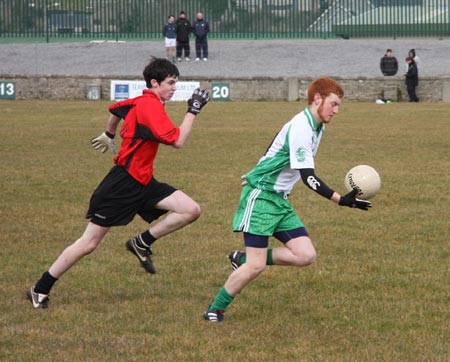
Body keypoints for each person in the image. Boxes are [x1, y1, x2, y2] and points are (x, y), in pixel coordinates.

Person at [27, 57, 210, 309]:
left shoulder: (144, 99)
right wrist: (193, 110)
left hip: (143, 180)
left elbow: (115, 109)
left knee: (190, 209)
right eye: (170, 83)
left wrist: (110, 133)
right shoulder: (151, 106)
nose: (174, 87)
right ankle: (39, 289)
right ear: (154, 83)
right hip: (122, 185)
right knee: (88, 243)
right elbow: (177, 140)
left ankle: (141, 242)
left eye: (175, 83)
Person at [203, 77, 372, 322]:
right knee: (256, 266)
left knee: (305, 255)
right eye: (333, 104)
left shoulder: (318, 125)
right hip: (261, 197)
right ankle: (215, 309)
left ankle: (240, 259)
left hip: (280, 200)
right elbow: (308, 177)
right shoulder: (302, 127)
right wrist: (341, 199)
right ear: (317, 99)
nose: (336, 111)